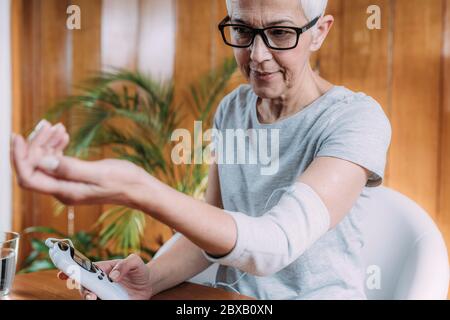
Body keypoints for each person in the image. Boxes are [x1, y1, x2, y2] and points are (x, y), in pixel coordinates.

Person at [11, 0, 391, 300]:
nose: (257, 54)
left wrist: (138, 188)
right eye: (242, 29)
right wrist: (151, 278)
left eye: (279, 32)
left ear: (319, 32)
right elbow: (211, 224)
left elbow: (276, 245)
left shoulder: (356, 120)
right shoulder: (233, 109)